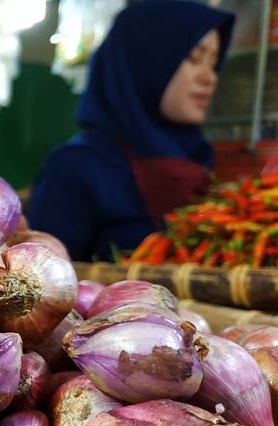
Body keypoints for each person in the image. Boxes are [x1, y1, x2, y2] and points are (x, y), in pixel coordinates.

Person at [28, 0, 235, 261]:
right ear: (145, 61)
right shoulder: (76, 167)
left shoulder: (197, 158)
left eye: (213, 63)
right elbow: (44, 279)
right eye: (193, 59)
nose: (209, 77)